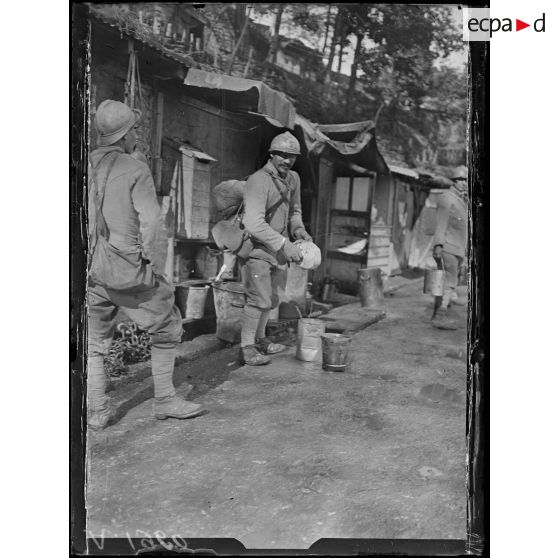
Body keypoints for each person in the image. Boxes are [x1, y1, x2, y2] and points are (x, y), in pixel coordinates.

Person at [87, 99, 205, 430]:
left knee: (94, 341)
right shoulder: (135, 168)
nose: (137, 134)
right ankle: (166, 400)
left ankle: (97, 411)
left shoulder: (81, 164)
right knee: (167, 324)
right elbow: (152, 223)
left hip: (90, 269)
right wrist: (148, 263)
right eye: (135, 129)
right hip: (127, 268)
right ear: (125, 135)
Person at [239, 131, 312, 366]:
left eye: (291, 156)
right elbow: (254, 224)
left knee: (272, 298)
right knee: (258, 299)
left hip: (280, 249)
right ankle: (247, 347)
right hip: (258, 248)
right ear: (271, 154)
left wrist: (299, 230)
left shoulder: (294, 179)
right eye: (281, 155)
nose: (286, 161)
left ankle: (260, 339)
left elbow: (295, 211)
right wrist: (284, 244)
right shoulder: (258, 181)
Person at [431, 170, 468, 329]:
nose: (465, 183)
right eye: (461, 180)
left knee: (448, 283)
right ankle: (440, 316)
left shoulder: (460, 200)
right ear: (454, 181)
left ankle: (438, 315)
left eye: (466, 180)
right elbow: (441, 223)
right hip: (448, 247)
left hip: (457, 249)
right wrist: (438, 245)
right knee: (448, 283)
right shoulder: (447, 198)